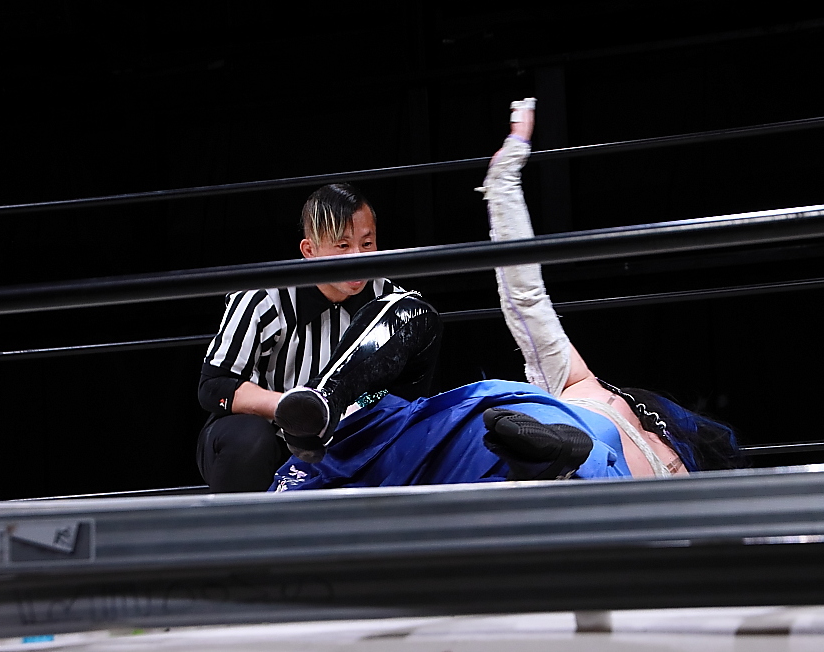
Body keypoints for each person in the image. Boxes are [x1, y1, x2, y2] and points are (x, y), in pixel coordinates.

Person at [269, 100, 742, 491]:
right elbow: (526, 292)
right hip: (506, 443)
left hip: (520, 446)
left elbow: (525, 292)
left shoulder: (582, 387)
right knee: (415, 323)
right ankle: (323, 403)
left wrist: (506, 174)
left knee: (567, 444)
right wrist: (505, 177)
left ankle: (554, 462)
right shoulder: (586, 390)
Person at [196, 183, 439, 492]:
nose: (358, 257)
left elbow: (408, 391)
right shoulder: (263, 297)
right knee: (247, 438)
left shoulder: (390, 301)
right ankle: (239, 524)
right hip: (268, 437)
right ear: (309, 251)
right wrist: (297, 409)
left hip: (349, 437)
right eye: (342, 246)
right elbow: (214, 385)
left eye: (367, 244)